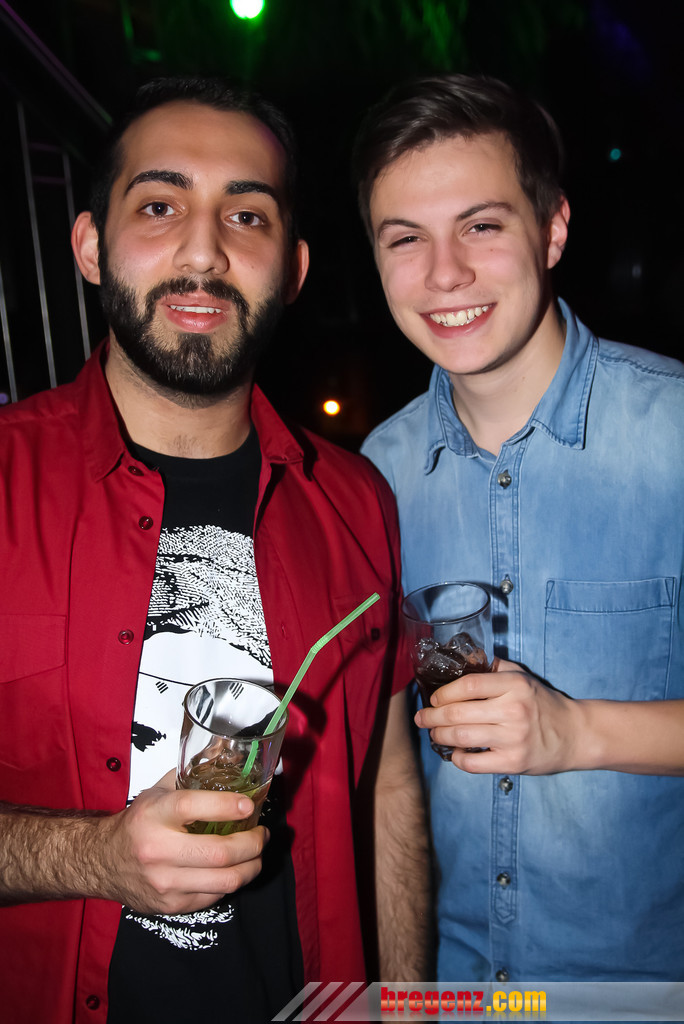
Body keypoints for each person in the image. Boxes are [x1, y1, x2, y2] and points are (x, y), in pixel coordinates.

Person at [0, 76, 428, 1024]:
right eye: (160, 206)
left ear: (295, 269)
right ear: (89, 246)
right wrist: (92, 857)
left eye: (246, 215)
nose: (204, 250)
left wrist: (403, 1006)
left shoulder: (358, 502)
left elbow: (389, 788)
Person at [355, 74, 684, 983]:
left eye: (481, 226)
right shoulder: (372, 476)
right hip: (456, 985)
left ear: (553, 229)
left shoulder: (674, 433)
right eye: (406, 238)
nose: (444, 273)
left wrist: (578, 733)